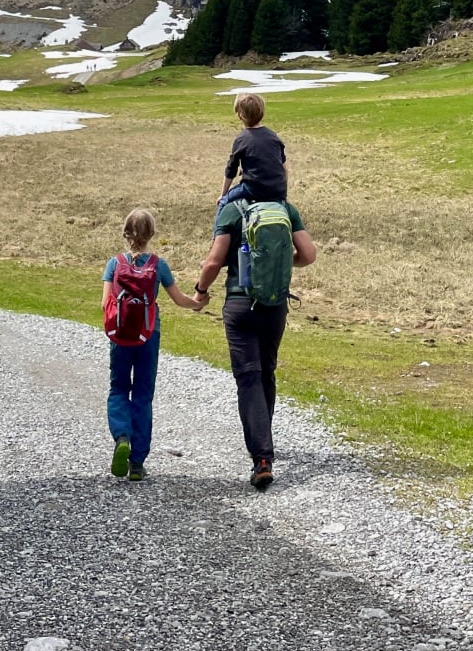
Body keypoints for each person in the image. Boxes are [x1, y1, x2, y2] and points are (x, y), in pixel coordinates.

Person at [194, 93, 316, 490]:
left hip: (240, 303)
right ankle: (265, 443)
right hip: (275, 302)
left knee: (247, 376)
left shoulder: (232, 209)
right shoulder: (285, 209)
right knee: (266, 372)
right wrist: (279, 267)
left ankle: (261, 456)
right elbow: (308, 255)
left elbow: (214, 262)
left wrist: (200, 290)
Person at [103, 207, 203, 481]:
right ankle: (137, 463)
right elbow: (179, 299)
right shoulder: (159, 265)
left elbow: (105, 303)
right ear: (151, 235)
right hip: (148, 336)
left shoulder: (114, 264)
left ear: (125, 233)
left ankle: (121, 435)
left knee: (119, 388)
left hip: (120, 336)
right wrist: (198, 304)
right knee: (143, 395)